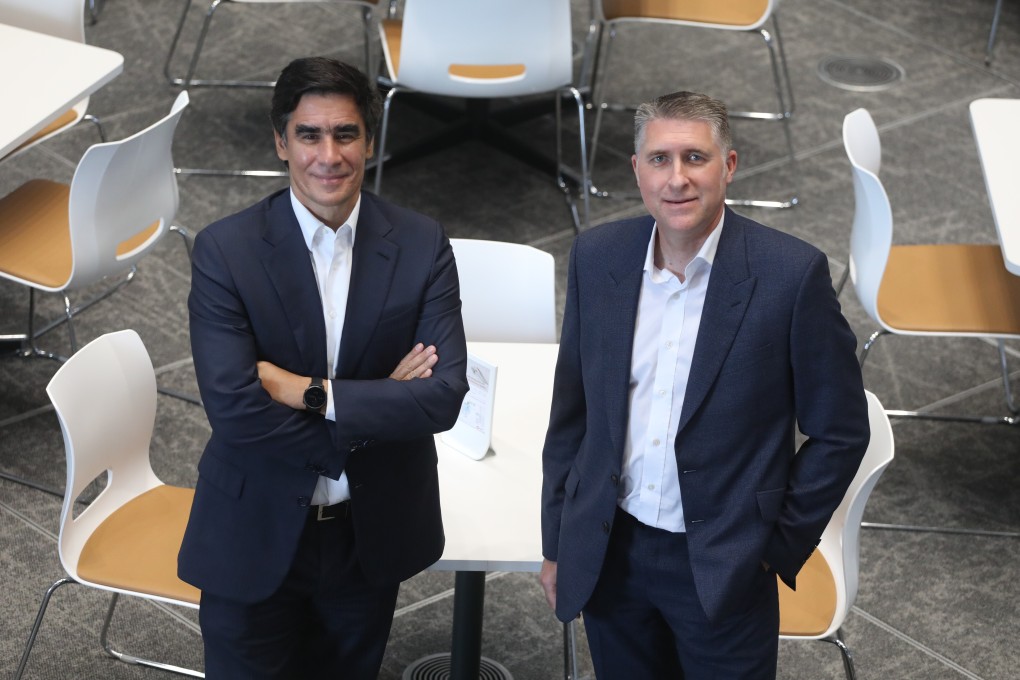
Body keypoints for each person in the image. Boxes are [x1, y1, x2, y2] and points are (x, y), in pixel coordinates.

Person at [539, 91, 870, 678]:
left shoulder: (791, 276)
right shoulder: (597, 256)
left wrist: (773, 546)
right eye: (659, 159)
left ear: (729, 165)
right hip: (610, 550)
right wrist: (558, 541)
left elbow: (840, 432)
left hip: (723, 563)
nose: (677, 179)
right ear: (636, 169)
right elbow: (573, 412)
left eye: (695, 157)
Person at [178, 57, 468, 679]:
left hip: (369, 534)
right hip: (253, 529)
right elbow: (236, 411)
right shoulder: (226, 251)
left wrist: (310, 393)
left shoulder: (422, 244)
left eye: (345, 134)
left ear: (370, 141)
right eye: (309, 135)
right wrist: (380, 402)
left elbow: (443, 396)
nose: (329, 156)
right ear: (281, 142)